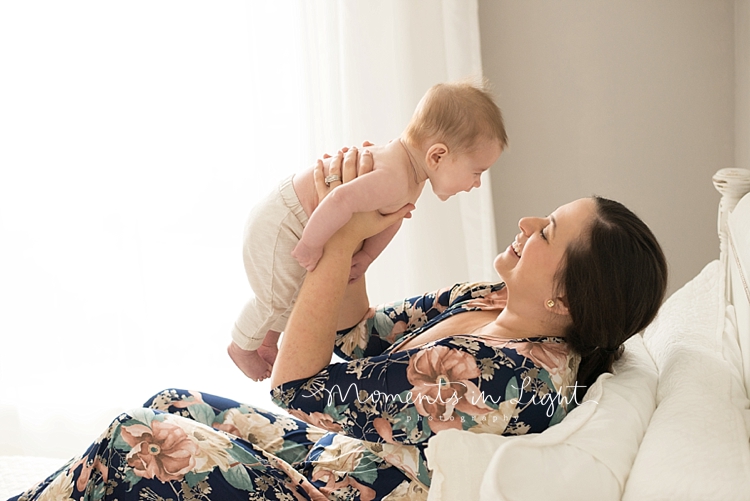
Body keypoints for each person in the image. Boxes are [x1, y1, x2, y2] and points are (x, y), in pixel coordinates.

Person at [11, 150, 667, 501]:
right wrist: (361, 235)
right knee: (168, 404)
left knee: (139, 438)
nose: (527, 224)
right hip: (346, 460)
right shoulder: (491, 297)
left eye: (547, 231)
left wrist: (336, 236)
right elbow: (359, 339)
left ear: (565, 298)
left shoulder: (495, 377)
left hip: (356, 494)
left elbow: (298, 386)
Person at [228, 80, 508, 381]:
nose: (476, 183)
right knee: (274, 297)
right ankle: (241, 345)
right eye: (476, 172)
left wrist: (366, 257)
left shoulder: (411, 178)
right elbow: (340, 199)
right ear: (437, 156)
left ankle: (267, 339)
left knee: (294, 294)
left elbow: (391, 218)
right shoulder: (394, 176)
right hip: (284, 222)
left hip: (305, 220)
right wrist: (310, 244)